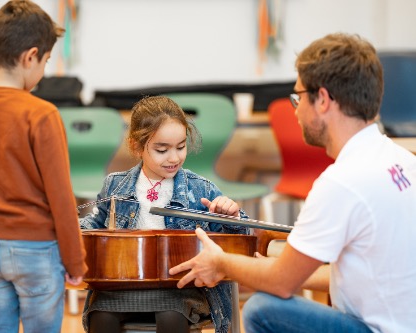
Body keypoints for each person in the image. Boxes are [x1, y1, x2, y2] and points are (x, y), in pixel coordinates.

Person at [170, 33, 416, 333]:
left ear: (322, 100)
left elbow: (280, 283)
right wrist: (263, 265)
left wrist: (221, 263)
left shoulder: (342, 182)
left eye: (297, 98)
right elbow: (357, 275)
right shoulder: (402, 159)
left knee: (263, 309)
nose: (296, 110)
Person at [0, 1, 86, 332]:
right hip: (36, 251)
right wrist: (74, 260)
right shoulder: (42, 114)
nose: (42, 71)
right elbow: (60, 197)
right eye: (45, 62)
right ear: (30, 57)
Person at [79, 95, 251, 333]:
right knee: (101, 315)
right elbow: (94, 226)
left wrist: (232, 217)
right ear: (137, 146)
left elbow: (235, 239)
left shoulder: (200, 188)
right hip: (123, 285)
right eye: (162, 150)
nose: (174, 157)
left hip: (180, 288)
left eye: (181, 147)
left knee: (172, 315)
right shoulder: (116, 185)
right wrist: (68, 225)